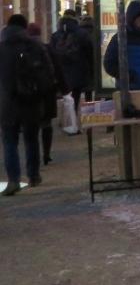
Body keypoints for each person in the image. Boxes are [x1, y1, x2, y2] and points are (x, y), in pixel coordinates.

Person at [1, 14, 56, 195]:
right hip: (31, 101)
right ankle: (33, 176)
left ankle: (14, 180)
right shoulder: (35, 46)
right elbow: (49, 74)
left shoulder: (2, 47)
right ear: (25, 28)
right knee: (31, 139)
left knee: (9, 141)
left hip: (7, 102)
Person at [25, 24, 65, 166]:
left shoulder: (24, 50)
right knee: (46, 124)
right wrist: (63, 89)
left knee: (32, 126)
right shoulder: (47, 48)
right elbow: (58, 69)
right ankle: (46, 153)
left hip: (30, 94)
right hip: (47, 91)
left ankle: (33, 156)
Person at [51, 11, 94, 122]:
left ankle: (68, 121)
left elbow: (52, 54)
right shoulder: (82, 34)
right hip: (80, 70)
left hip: (62, 72)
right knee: (77, 94)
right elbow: (90, 51)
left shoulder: (55, 35)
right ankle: (83, 119)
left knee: (67, 97)